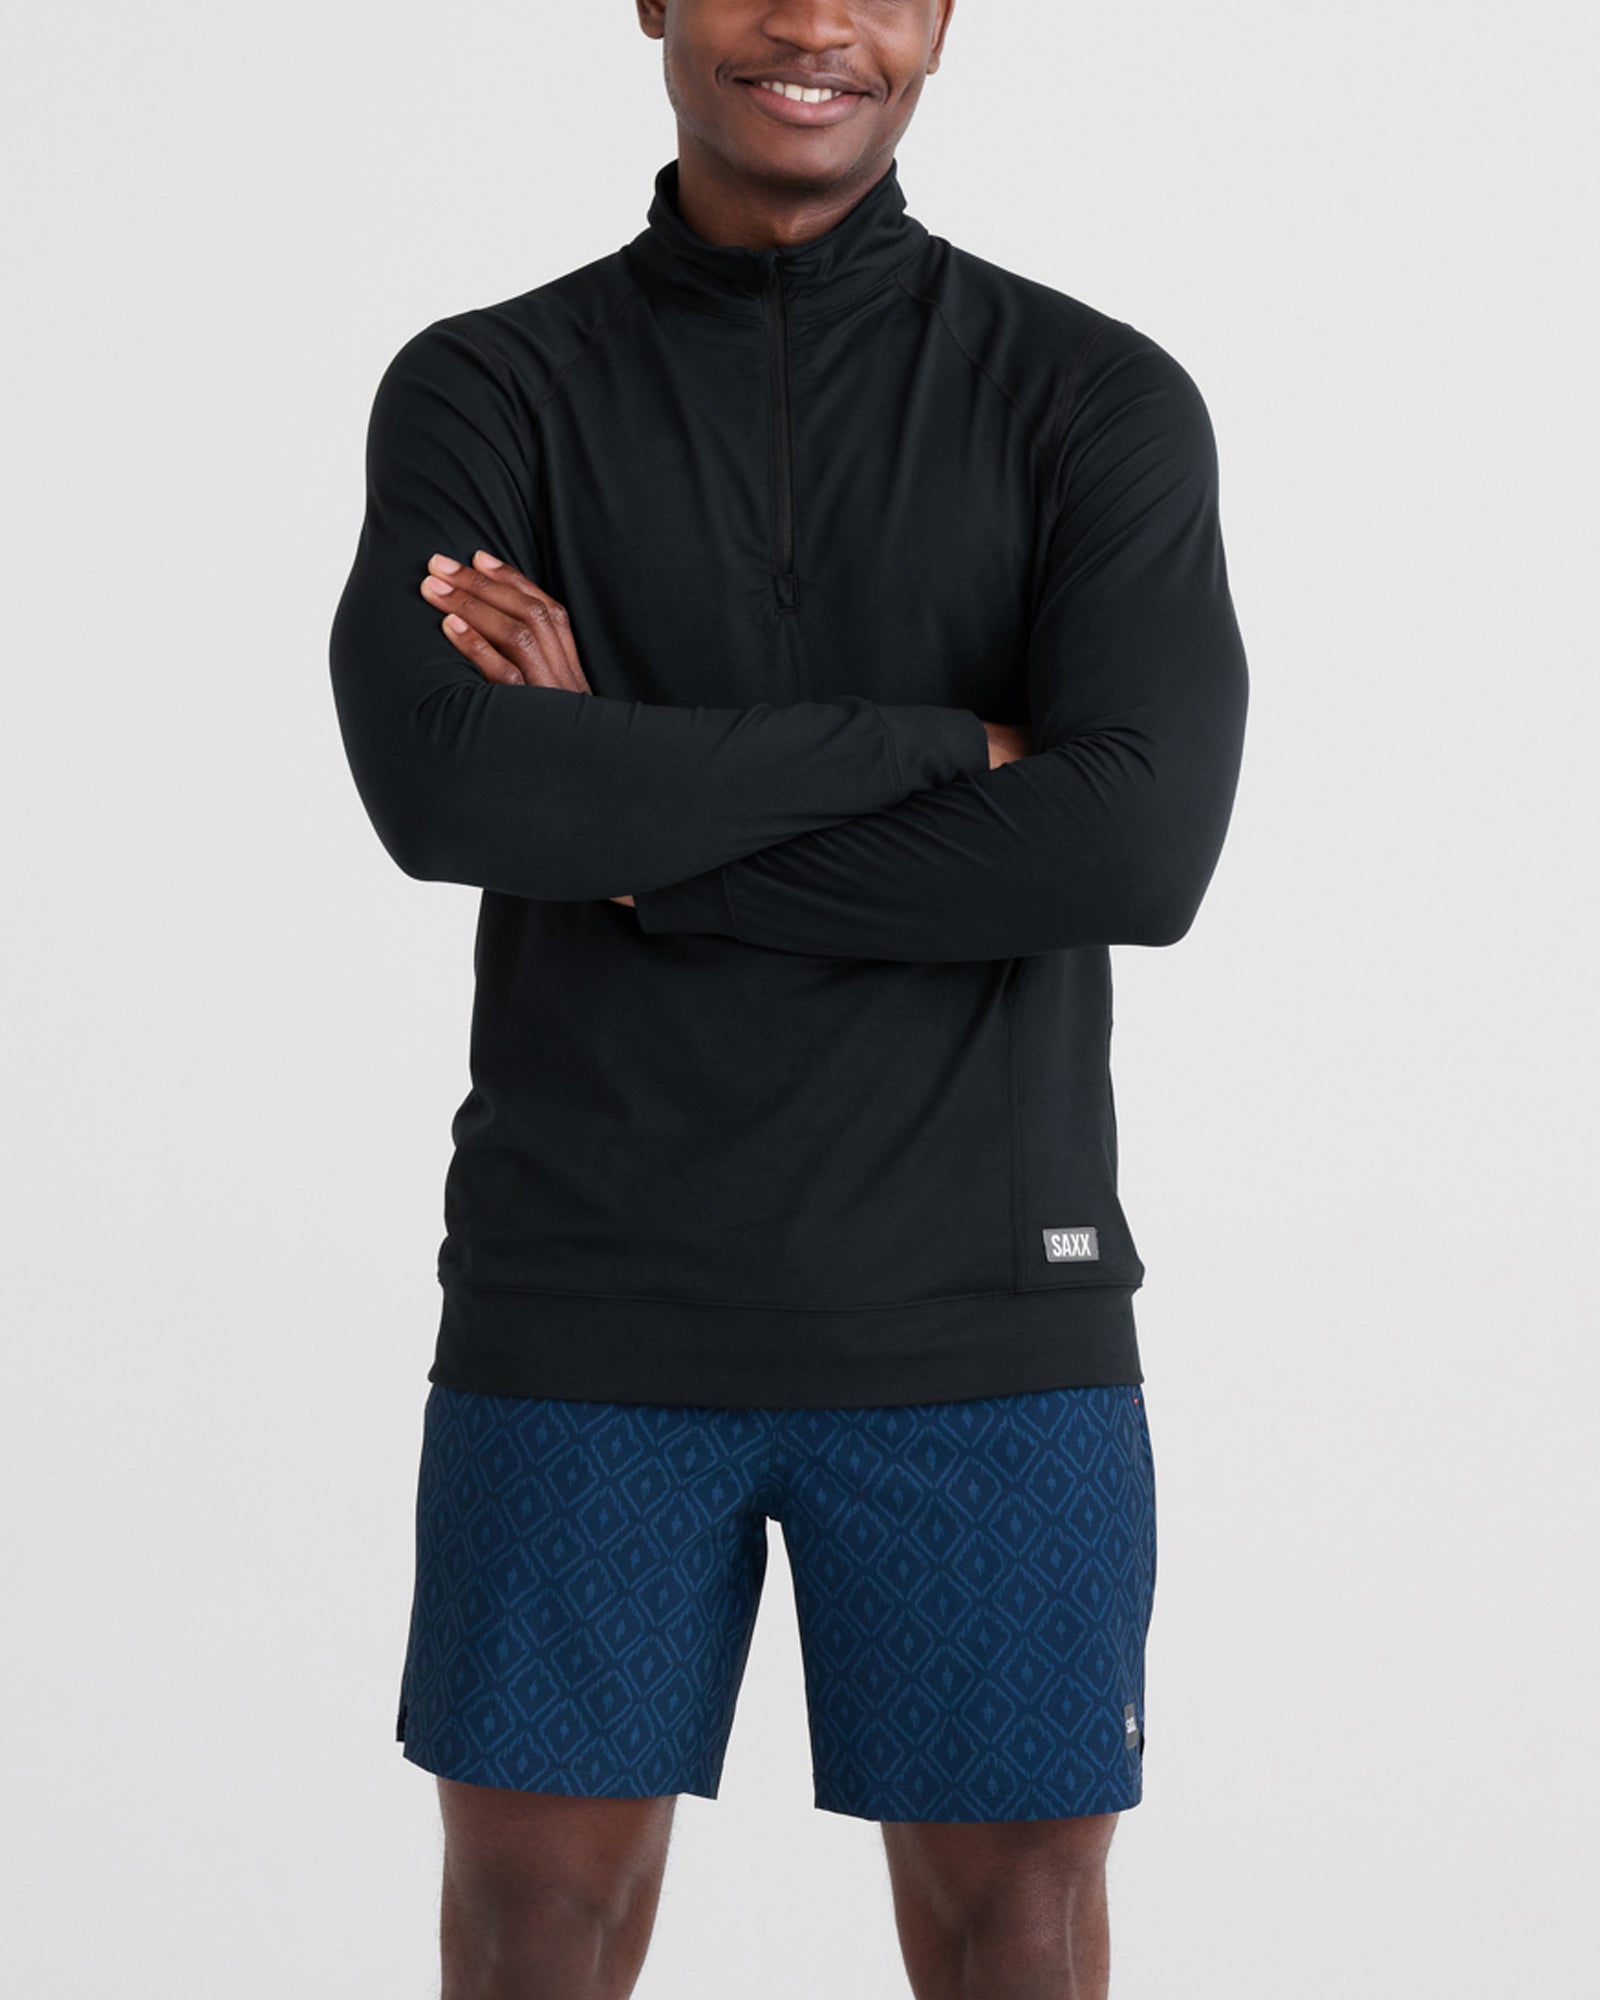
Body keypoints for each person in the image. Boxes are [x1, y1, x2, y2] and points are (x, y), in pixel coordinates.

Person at [328, 1, 1248, 1992]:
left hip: (983, 1313)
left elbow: (1133, 847)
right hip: (583, 1298)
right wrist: (948, 749)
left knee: (1014, 1926)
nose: (814, 23)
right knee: (534, 1928)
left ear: (942, 21)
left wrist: (631, 824)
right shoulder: (490, 387)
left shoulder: (1088, 397)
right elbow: (448, 790)